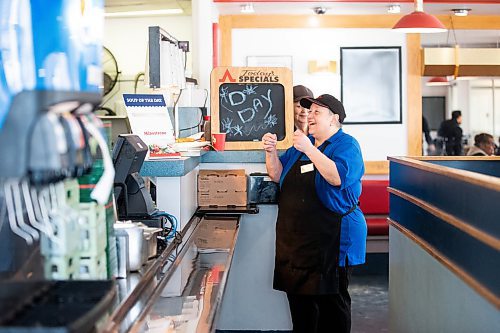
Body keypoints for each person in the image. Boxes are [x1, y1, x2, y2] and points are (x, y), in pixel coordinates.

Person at [262, 94, 366, 333]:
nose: (309, 116)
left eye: (317, 112)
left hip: (333, 239)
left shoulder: (346, 145)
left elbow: (337, 177)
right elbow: (277, 174)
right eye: (308, 112)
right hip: (297, 241)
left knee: (332, 303)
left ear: (334, 119)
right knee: (301, 305)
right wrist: (271, 152)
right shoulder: (301, 146)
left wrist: (310, 149)